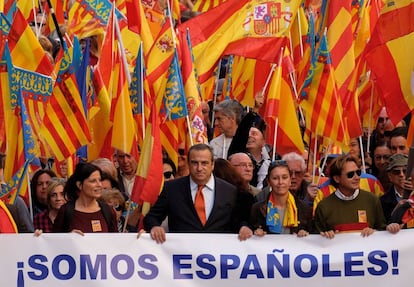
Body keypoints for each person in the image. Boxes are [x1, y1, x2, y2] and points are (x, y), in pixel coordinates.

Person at [144, 144, 253, 243]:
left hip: (218, 255)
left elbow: (238, 221)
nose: (199, 168)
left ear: (212, 165)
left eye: (204, 163)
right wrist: (154, 226)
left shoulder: (229, 191)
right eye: (195, 163)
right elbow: (151, 217)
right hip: (182, 255)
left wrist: (243, 227)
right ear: (188, 164)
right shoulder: (172, 189)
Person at [314, 155, 395, 238]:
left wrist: (375, 232)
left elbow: (383, 231)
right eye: (350, 174)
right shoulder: (324, 206)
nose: (357, 177)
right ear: (337, 178)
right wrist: (326, 235)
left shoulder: (372, 200)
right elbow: (316, 240)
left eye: (358, 172)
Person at [249, 160, 312, 237]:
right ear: (269, 182)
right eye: (275, 178)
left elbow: (313, 238)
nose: (280, 182)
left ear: (290, 180)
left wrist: (305, 233)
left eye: (284, 177)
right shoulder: (257, 209)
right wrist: (255, 233)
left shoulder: (304, 208)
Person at [53, 163, 118, 234]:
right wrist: (68, 237)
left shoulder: (108, 211)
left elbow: (114, 241)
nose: (99, 185)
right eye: (93, 181)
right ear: (79, 185)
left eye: (99, 180)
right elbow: (54, 241)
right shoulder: (66, 211)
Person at [380, 154, 412, 223]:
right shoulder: (383, 201)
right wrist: (397, 210)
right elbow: (383, 227)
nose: (401, 175)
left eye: (405, 171)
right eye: (397, 172)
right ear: (390, 176)